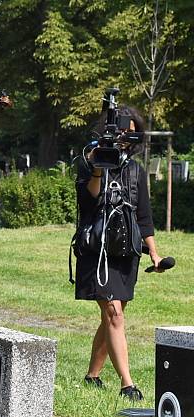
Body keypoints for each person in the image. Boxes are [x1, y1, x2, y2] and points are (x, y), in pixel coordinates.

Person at [77, 106, 163, 401]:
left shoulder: (136, 171)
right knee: (113, 313)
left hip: (126, 251)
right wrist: (100, 166)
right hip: (98, 250)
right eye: (119, 132)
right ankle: (128, 384)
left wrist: (153, 253)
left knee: (113, 315)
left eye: (129, 133)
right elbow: (88, 199)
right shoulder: (90, 160)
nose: (123, 139)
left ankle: (92, 375)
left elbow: (144, 216)